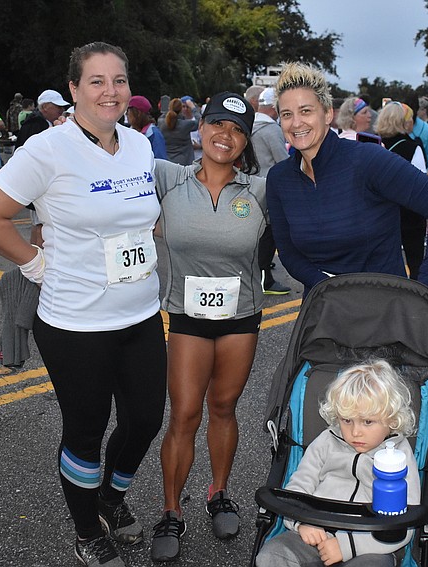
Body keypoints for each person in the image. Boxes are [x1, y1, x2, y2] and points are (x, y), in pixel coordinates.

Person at [0, 41, 167, 567]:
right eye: (96, 81)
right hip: (75, 321)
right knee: (85, 429)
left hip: (141, 313)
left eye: (119, 80)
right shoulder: (47, 149)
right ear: (74, 89)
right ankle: (86, 530)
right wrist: (37, 265)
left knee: (145, 420)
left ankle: (110, 499)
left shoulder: (139, 146)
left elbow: (146, 218)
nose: (110, 91)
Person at [149, 92, 266, 563]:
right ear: (200, 128)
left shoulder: (259, 191)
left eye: (238, 129)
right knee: (183, 415)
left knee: (224, 406)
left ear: (245, 141)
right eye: (218, 123)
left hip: (241, 319)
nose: (226, 135)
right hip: (187, 318)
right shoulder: (167, 178)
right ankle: (172, 510)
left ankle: (219, 492)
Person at [266, 62, 428, 296]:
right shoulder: (279, 178)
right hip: (323, 309)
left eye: (306, 111)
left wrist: (425, 292)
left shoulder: (368, 160)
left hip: (384, 311)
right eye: (287, 114)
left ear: (327, 114)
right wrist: (326, 286)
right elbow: (288, 252)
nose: (296, 122)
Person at [255, 359, 421, 567]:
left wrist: (346, 546)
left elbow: (405, 522)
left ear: (391, 419)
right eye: (347, 420)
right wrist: (301, 523)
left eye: (368, 422)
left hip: (372, 545)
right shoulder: (327, 442)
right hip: (315, 532)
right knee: (271, 556)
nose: (355, 432)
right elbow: (298, 487)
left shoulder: (399, 457)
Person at [376, 101, 428, 281]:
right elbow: (421, 185)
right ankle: (418, 301)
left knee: (384, 262)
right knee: (416, 261)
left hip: (380, 212)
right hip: (410, 213)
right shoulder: (412, 147)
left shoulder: (373, 142)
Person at [247, 85, 291, 295]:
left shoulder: (248, 124)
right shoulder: (272, 129)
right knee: (269, 234)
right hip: (268, 187)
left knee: (255, 233)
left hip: (249, 184)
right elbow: (282, 160)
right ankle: (264, 278)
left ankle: (257, 272)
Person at [159, 97, 201, 165]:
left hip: (168, 162)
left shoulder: (161, 123)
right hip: (184, 163)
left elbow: (165, 117)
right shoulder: (186, 125)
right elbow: (200, 121)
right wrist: (193, 107)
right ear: (181, 109)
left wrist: (171, 107)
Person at [126, 95, 167, 159]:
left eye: (128, 110)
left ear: (138, 113)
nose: (126, 114)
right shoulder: (128, 133)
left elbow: (161, 161)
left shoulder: (154, 134)